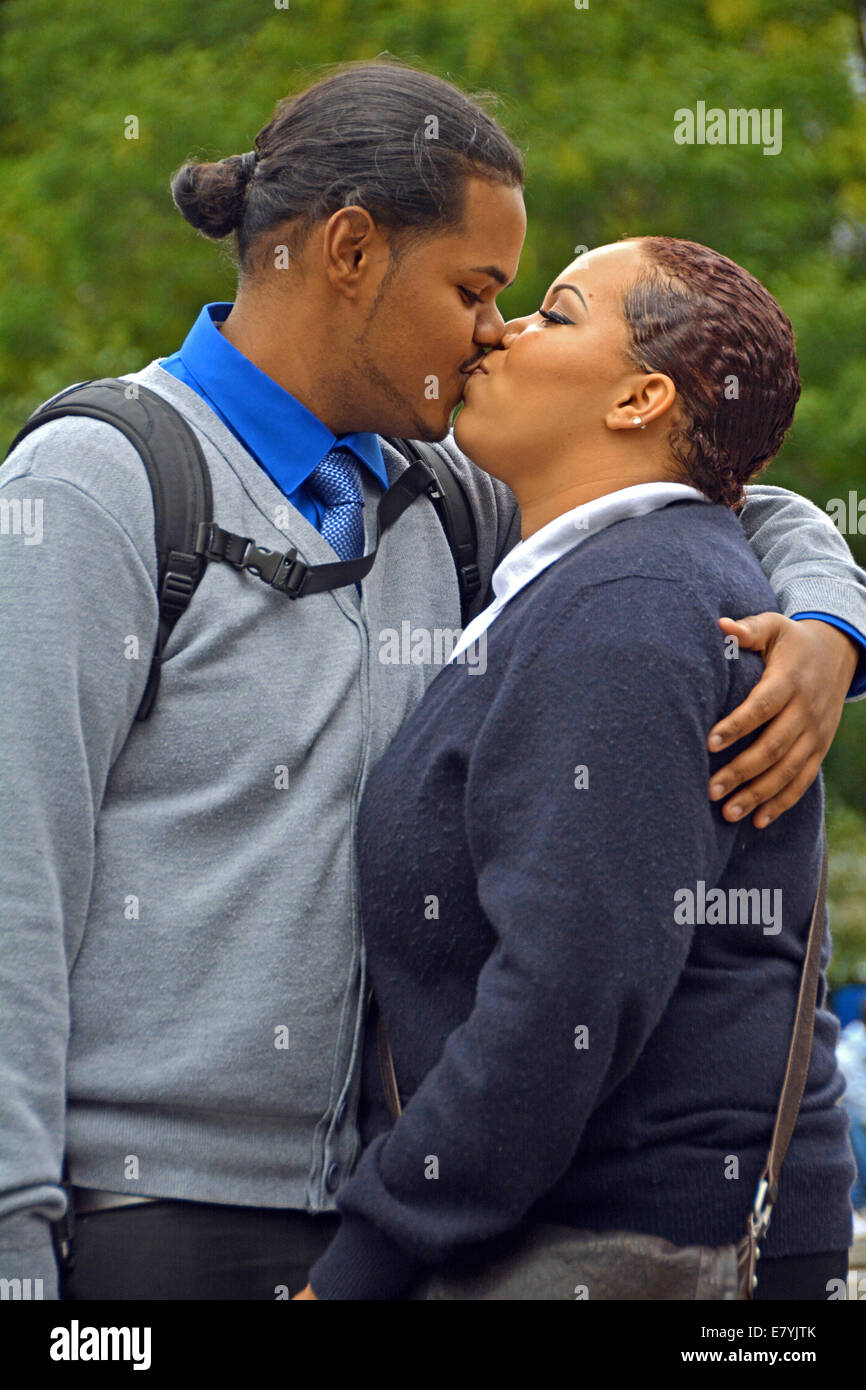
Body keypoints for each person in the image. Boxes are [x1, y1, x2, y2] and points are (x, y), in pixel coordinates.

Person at [1, 61, 865, 1302]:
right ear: (348, 250)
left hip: (382, 1222)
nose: (490, 331)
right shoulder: (98, 489)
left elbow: (700, 484)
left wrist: (829, 618)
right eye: (474, 288)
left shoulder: (445, 496)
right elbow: (11, 893)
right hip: (140, 1221)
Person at [301, 237, 856, 1302]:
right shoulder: (601, 582)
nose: (500, 328)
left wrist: (371, 1251)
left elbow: (563, 995)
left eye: (554, 312)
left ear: (640, 399)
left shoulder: (629, 606)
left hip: (617, 1243)